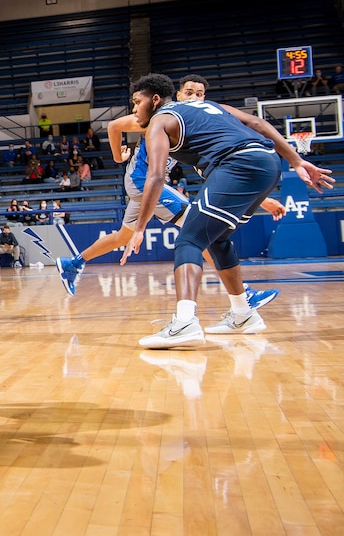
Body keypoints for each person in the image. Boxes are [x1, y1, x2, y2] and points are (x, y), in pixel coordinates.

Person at [121, 74, 332, 349]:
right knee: (215, 239)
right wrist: (296, 160)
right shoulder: (212, 108)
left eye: (137, 102)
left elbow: (156, 177)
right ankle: (243, 314)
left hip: (239, 163)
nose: (135, 109)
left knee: (189, 239)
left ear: (156, 100)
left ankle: (184, 322)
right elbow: (257, 123)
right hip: (268, 163)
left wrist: (139, 228)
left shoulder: (159, 121)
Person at [57, 75, 286, 302]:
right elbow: (115, 125)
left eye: (199, 94)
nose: (194, 97)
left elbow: (215, 170)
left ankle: (73, 263)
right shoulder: (158, 117)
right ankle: (241, 296)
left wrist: (263, 201)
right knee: (199, 229)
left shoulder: (194, 123)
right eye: (189, 93)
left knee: (122, 236)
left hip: (149, 185)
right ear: (177, 95)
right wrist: (119, 157)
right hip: (143, 181)